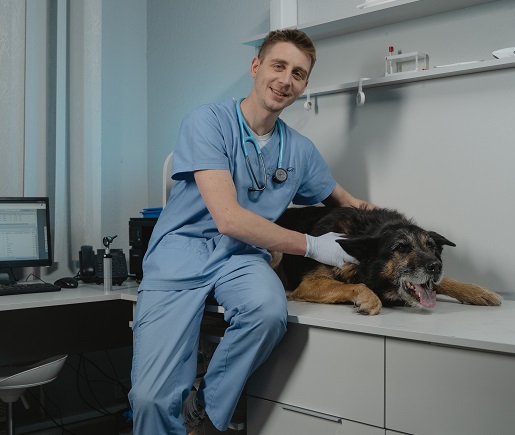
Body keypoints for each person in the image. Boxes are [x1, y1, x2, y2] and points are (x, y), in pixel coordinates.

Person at [129, 28, 373, 434]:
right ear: (256, 66)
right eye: (278, 66)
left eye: (298, 73)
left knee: (268, 312)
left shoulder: (300, 151)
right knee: (151, 399)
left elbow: (348, 201)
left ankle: (203, 411)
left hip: (242, 258)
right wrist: (313, 246)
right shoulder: (207, 122)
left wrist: (402, 228)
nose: (285, 80)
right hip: (182, 253)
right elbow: (228, 218)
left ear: (305, 84)